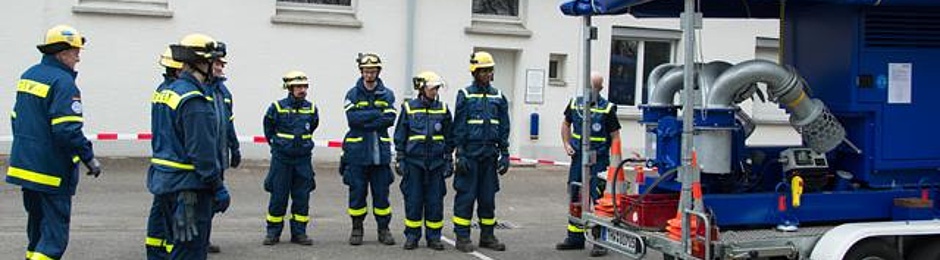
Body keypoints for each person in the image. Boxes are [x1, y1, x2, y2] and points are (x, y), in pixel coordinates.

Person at [6, 24, 102, 260]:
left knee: (36, 230)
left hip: (25, 167)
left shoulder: (29, 75)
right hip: (51, 170)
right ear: (61, 53)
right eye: (75, 52)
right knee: (53, 237)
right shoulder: (64, 83)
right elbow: (67, 130)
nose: (78, 58)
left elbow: (16, 118)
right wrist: (89, 158)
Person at [147, 33, 228, 259]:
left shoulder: (166, 92)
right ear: (201, 63)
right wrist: (217, 185)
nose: (216, 67)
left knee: (172, 247)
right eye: (213, 62)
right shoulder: (194, 100)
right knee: (189, 252)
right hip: (189, 189)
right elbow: (201, 153)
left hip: (165, 183)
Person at [554, 71, 620, 257]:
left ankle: (600, 241)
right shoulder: (575, 104)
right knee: (576, 196)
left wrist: (615, 163)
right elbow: (566, 124)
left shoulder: (607, 109)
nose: (591, 90)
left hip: (598, 161)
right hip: (578, 159)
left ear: (600, 88)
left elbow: (615, 137)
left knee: (599, 200)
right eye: (589, 86)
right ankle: (575, 238)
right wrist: (566, 144)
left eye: (595, 87)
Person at [451, 51, 510, 252]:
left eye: (489, 71)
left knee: (487, 198)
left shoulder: (499, 96)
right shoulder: (465, 95)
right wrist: (459, 153)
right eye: (483, 71)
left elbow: (504, 126)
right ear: (475, 72)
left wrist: (505, 153)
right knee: (465, 197)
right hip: (470, 155)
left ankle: (487, 236)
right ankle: (462, 237)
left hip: (489, 156)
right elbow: (458, 126)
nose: (487, 74)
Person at [393, 71, 454, 251]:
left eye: (436, 88)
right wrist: (401, 159)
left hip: (436, 164)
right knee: (413, 201)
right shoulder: (409, 108)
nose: (435, 92)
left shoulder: (443, 109)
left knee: (435, 202)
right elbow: (400, 136)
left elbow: (449, 137)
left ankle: (434, 237)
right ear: (421, 88)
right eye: (432, 88)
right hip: (414, 164)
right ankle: (412, 236)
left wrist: (448, 159)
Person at [341, 52, 397, 246]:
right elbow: (352, 120)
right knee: (357, 194)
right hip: (357, 155)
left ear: (378, 72)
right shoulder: (352, 94)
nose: (369, 75)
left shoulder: (387, 94)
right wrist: (376, 116)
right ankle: (357, 229)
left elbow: (389, 119)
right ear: (361, 72)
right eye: (366, 71)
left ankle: (384, 230)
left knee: (382, 196)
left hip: (379, 156)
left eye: (373, 71)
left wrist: (366, 116)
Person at [261, 70, 319, 246]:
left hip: (303, 160)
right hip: (282, 160)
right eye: (299, 87)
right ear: (289, 88)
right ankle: (273, 233)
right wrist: (279, 146)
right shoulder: (276, 107)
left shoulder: (311, 108)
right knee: (278, 197)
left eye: (304, 87)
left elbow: (313, 126)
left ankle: (299, 233)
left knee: (302, 197)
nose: (303, 90)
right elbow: (268, 129)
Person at [145, 46, 184, 260]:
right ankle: (170, 252)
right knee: (174, 216)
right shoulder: (180, 93)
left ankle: (155, 251)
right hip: (175, 164)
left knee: (160, 210)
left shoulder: (161, 90)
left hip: (160, 160)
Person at [206, 50, 240, 254]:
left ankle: (204, 238)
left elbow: (228, 123)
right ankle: (195, 240)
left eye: (222, 64)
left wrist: (234, 147)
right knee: (201, 201)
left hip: (219, 157)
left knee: (210, 202)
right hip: (205, 157)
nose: (220, 67)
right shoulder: (202, 91)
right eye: (216, 64)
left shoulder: (224, 93)